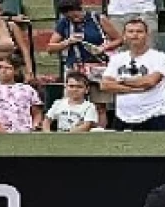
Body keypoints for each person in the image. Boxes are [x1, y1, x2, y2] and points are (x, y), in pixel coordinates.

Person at [47, 0, 120, 129]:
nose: (74, 19)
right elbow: (50, 48)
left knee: (100, 105)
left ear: (81, 8)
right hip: (75, 68)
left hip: (98, 67)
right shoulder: (64, 23)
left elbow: (119, 39)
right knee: (73, 102)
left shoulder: (98, 19)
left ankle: (98, 132)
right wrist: (68, 42)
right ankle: (71, 131)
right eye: (69, 16)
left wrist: (103, 48)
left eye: (75, 15)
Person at [99, 19, 165, 131]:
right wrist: (136, 89)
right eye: (130, 31)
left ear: (147, 35)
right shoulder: (117, 58)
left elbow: (150, 82)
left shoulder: (160, 57)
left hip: (153, 116)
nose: (134, 35)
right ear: (124, 35)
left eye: (139, 31)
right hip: (122, 117)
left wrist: (120, 81)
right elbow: (105, 85)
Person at [0, 54, 40, 133]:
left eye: (8, 68)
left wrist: (35, 125)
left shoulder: (27, 89)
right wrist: (1, 130)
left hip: (24, 133)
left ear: (16, 71)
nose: (3, 70)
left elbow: (36, 112)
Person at [0, 0, 34, 82]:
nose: (0, 6)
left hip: (11, 71)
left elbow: (24, 49)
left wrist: (29, 71)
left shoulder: (10, 26)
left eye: (0, 3)